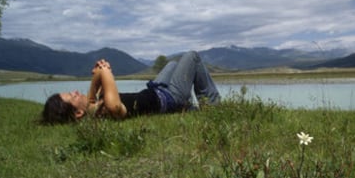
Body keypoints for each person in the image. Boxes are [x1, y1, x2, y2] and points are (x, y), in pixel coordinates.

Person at [42, 51, 221, 124]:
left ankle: (187, 108)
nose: (74, 92)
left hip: (157, 90)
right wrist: (105, 71)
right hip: (169, 97)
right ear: (78, 113)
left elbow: (94, 93)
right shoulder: (107, 109)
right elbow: (114, 104)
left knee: (172, 65)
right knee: (192, 57)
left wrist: (98, 72)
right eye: (72, 96)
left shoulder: (95, 108)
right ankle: (214, 109)